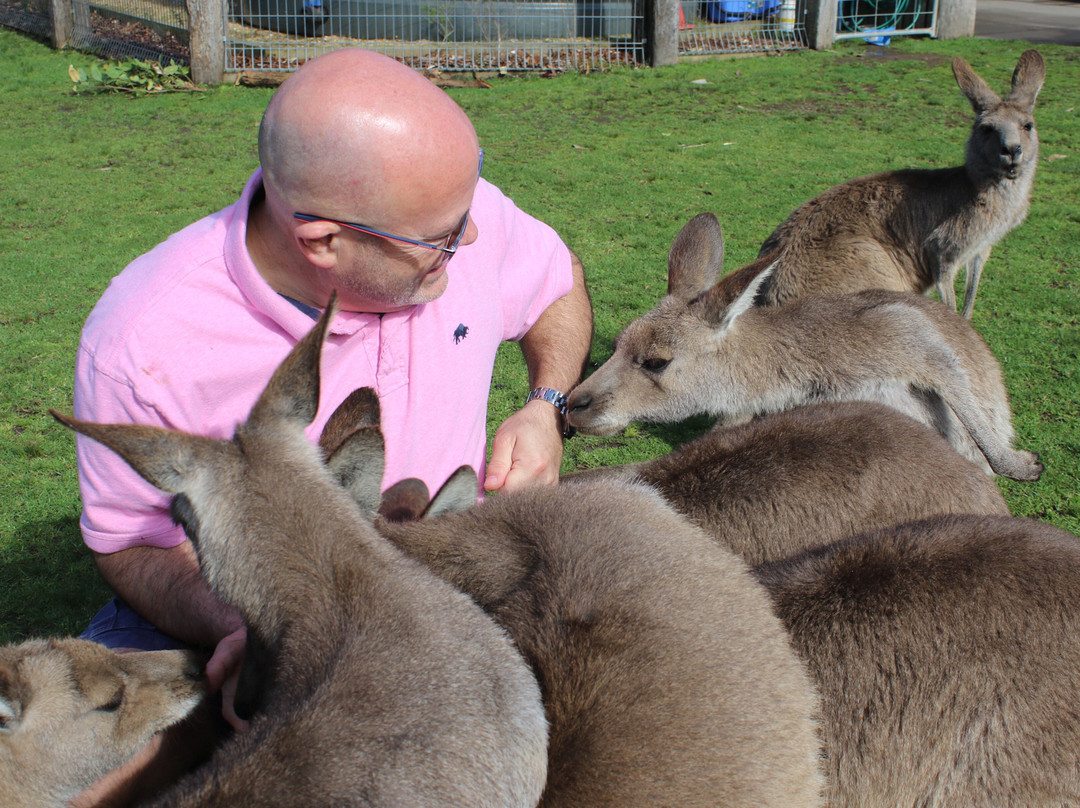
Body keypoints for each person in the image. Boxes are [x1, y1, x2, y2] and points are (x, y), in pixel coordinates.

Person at [69, 47, 591, 805]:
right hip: (245, 607)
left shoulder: (450, 221)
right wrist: (252, 622)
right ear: (323, 240)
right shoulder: (145, 337)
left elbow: (558, 283)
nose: (471, 244)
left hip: (442, 571)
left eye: (466, 215)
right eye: (444, 239)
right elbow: (133, 541)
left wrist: (546, 408)